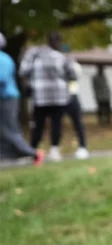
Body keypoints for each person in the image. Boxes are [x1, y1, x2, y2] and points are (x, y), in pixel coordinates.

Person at [20, 31, 75, 162]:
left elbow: (23, 71)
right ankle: (54, 150)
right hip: (59, 97)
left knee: (37, 124)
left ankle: (32, 152)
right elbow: (73, 74)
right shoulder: (62, 57)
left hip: (40, 96)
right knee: (56, 124)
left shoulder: (34, 54)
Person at [0, 32, 43, 163]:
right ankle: (8, 155)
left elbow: (1, 78)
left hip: (7, 99)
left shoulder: (3, 59)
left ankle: (34, 153)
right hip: (4, 98)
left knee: (9, 128)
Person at [64, 53, 90, 159]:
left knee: (78, 123)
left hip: (72, 96)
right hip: (58, 98)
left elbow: (74, 77)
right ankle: (54, 148)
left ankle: (82, 147)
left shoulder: (73, 65)